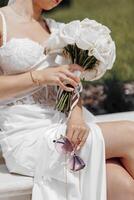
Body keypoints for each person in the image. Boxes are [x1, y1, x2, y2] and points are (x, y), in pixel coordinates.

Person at [0, 1, 134, 200]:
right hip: (26, 135)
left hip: (66, 125)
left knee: (122, 184)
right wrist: (40, 77)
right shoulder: (2, 20)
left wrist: (77, 116)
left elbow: (72, 85)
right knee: (129, 133)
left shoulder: (59, 30)